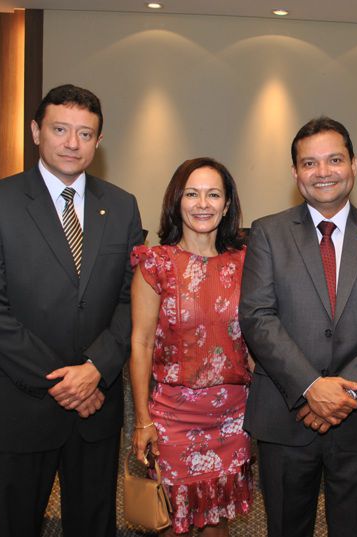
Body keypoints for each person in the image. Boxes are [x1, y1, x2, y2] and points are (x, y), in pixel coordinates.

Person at [0, 84, 142, 537]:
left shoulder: (121, 206)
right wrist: (71, 382)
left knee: (93, 526)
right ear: (36, 131)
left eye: (85, 133)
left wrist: (96, 369)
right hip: (20, 407)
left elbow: (131, 300)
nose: (72, 143)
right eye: (60, 129)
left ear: (99, 142)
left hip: (95, 415)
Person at [239, 117, 357, 537]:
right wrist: (310, 387)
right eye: (310, 163)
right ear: (295, 173)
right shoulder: (267, 233)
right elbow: (258, 317)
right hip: (286, 415)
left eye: (334, 160)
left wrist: (341, 393)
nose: (323, 172)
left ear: (354, 164)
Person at [129, 157, 253, 536]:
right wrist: (142, 421)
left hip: (233, 418)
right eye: (192, 194)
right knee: (172, 524)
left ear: (227, 204)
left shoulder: (248, 264)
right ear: (176, 201)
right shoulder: (156, 263)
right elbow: (141, 343)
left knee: (218, 523)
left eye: (213, 194)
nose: (203, 204)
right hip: (172, 419)